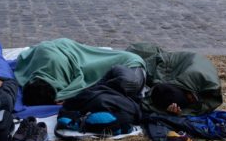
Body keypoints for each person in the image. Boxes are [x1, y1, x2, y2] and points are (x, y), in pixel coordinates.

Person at [14, 38, 146, 106]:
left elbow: (84, 87)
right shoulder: (30, 78)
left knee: (128, 84)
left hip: (129, 64)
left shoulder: (60, 75)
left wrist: (69, 97)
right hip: (59, 48)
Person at [127, 42, 223, 116]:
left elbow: (202, 107)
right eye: (190, 98)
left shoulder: (208, 89)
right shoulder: (188, 78)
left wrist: (177, 112)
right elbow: (151, 97)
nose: (192, 100)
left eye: (191, 99)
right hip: (161, 61)